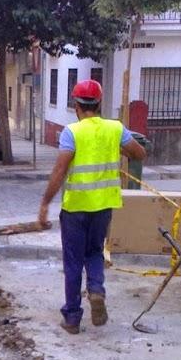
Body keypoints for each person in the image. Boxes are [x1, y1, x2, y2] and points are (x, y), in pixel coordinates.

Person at [38, 79, 146, 334]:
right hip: (103, 207)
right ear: (99, 104)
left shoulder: (71, 132)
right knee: (95, 252)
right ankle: (96, 289)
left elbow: (60, 170)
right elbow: (139, 153)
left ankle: (72, 318)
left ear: (76, 105)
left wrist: (45, 203)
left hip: (75, 208)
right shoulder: (115, 129)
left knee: (73, 262)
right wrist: (119, 148)